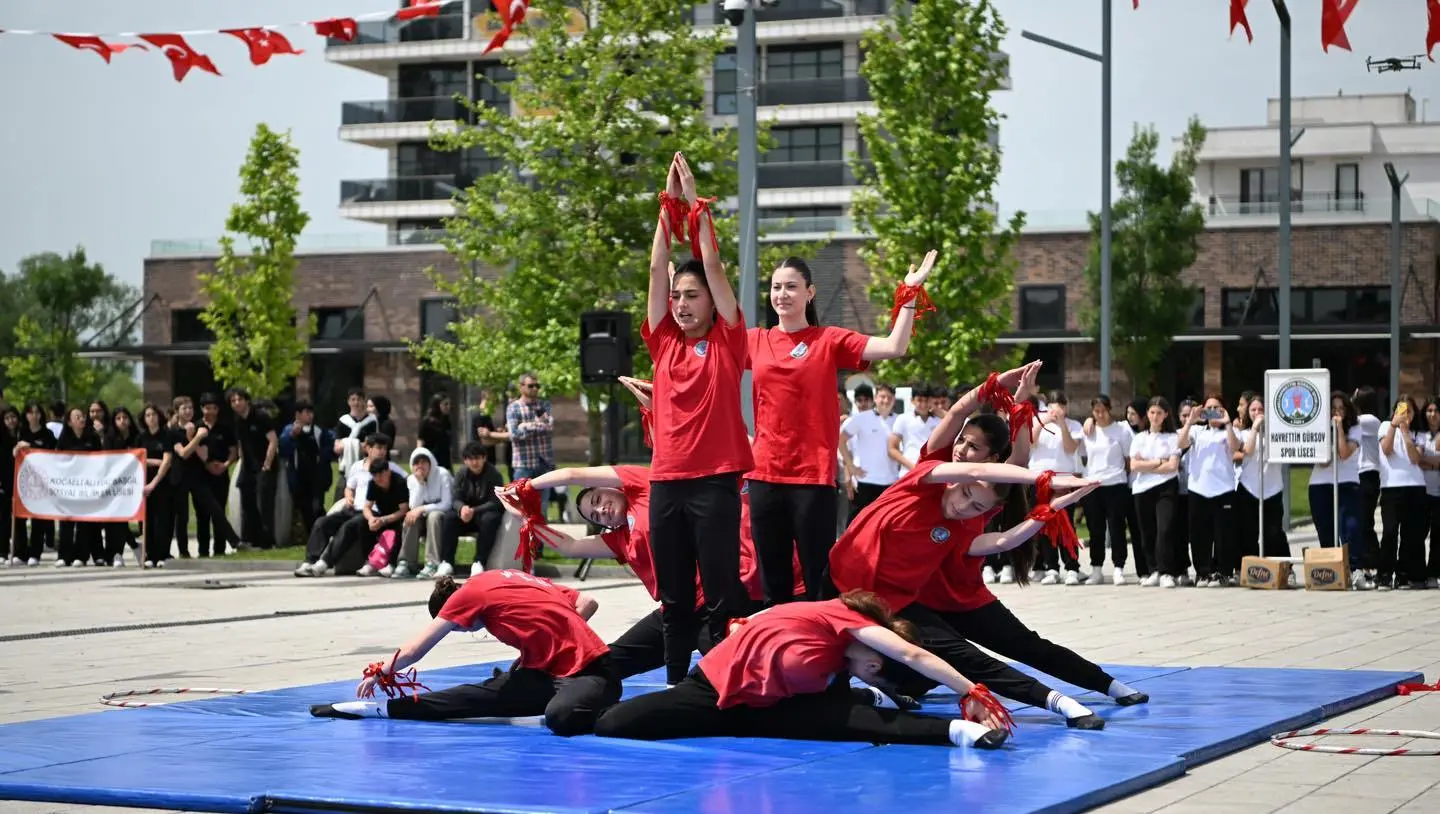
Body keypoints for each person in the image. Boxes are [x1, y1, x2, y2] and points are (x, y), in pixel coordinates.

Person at [893, 366, 1143, 723]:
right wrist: (994, 388)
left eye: (974, 447)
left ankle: (1107, 684)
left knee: (1028, 647)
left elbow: (1020, 462)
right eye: (962, 441)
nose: (962, 450)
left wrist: (1021, 404)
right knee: (927, 661)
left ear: (993, 462)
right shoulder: (932, 468)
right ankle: (886, 689)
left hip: (966, 599)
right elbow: (955, 414)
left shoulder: (990, 490)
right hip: (919, 601)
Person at [593, 590, 1012, 749]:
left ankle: (959, 733)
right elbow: (914, 656)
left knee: (861, 721)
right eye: (874, 670)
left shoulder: (836, 667)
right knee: (614, 723)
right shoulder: (842, 618)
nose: (871, 670)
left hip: (771, 708)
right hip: (714, 692)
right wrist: (970, 692)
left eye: (872, 677)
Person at [747, 252, 935, 604]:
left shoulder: (829, 339)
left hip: (812, 478)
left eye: (791, 286)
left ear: (810, 292)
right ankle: (780, 650)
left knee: (819, 577)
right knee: (773, 581)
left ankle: (821, 648)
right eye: (776, 287)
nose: (782, 294)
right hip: (763, 476)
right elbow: (706, 356)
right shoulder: (755, 340)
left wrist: (909, 293)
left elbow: (896, 346)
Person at [642, 152, 751, 685]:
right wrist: (666, 207)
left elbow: (711, 265)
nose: (681, 304)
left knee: (723, 590)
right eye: (677, 297)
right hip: (667, 483)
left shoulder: (729, 340)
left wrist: (694, 206)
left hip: (715, 483)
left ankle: (727, 677)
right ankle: (673, 682)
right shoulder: (663, 342)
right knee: (674, 594)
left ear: (712, 303)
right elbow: (657, 267)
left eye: (692, 296)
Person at [310, 570, 619, 736]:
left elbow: (416, 649)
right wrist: (545, 649)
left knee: (560, 717)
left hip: (590, 673)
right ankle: (377, 709)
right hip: (544, 674)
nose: (464, 630)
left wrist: (381, 670)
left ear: (453, 610)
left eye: (457, 627)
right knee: (472, 695)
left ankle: (601, 708)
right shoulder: (509, 576)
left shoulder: (469, 593)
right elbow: (586, 603)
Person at [295, 434, 406, 577]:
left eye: (385, 448)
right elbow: (349, 487)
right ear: (368, 448)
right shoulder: (357, 466)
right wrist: (348, 497)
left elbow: (407, 483)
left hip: (374, 513)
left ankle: (324, 564)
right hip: (353, 509)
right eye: (378, 448)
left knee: (349, 526)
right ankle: (309, 561)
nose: (382, 452)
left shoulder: (391, 468)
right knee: (322, 522)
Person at [1178, 395, 1241, 587]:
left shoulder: (1230, 430)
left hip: (1223, 489)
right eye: (1209, 407)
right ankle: (1203, 572)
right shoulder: (1197, 431)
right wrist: (1190, 420)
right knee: (1199, 534)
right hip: (1199, 489)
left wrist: (1227, 423)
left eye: (1217, 407)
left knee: (1223, 534)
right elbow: (1180, 444)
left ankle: (1222, 572)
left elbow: (1235, 448)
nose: (1213, 410)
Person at [1079, 394, 1137, 586]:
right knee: (1095, 529)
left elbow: (1129, 460)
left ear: (1110, 409)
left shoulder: (1121, 430)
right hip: (1093, 485)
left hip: (1115, 484)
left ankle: (1119, 567)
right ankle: (1096, 569)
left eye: (1104, 410)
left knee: (1117, 528)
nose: (1101, 415)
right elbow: (1081, 454)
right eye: (1096, 411)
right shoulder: (1088, 430)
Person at [1028, 392, 1085, 584]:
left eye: (1061, 405)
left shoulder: (1073, 426)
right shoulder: (1038, 422)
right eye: (1053, 405)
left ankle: (1072, 567)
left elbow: (1071, 448)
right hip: (1041, 478)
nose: (1056, 409)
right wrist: (1043, 421)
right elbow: (1031, 442)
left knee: (1066, 523)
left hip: (1063, 478)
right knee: (1044, 523)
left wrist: (1062, 424)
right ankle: (1051, 567)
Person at [1309, 392, 1365, 581]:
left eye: (1341, 408)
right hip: (1320, 484)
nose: (1337, 412)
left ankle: (1355, 569)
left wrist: (1339, 427)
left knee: (1350, 528)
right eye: (1333, 408)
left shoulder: (1355, 428)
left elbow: (1344, 453)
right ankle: (1332, 572)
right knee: (1325, 529)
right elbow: (1322, 462)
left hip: (1346, 483)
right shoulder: (1318, 429)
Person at [429, 441, 506, 578]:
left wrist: (473, 510)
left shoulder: (494, 474)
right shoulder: (461, 474)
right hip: (465, 515)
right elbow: (455, 497)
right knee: (450, 517)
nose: (474, 462)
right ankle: (447, 562)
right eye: (470, 459)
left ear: (484, 458)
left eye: (477, 458)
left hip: (483, 515)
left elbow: (496, 501)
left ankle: (479, 562)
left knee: (491, 518)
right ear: (465, 460)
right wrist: (461, 509)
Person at [1378, 395, 1428, 590]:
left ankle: (1405, 574)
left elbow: (1415, 458)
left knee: (1411, 534)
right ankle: (1384, 574)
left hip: (1415, 486)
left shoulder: (1419, 434)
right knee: (1390, 531)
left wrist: (1406, 432)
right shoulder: (1385, 427)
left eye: (1409, 411)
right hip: (1391, 487)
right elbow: (1386, 449)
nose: (1405, 415)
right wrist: (1394, 425)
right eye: (1402, 410)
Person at [1235, 397, 1289, 560]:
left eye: (1260, 410)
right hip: (1249, 487)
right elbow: (1248, 451)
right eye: (1253, 410)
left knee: (1273, 533)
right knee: (1248, 532)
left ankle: (1284, 567)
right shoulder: (1243, 433)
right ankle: (1250, 569)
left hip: (1272, 488)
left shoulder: (1276, 434)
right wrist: (1255, 428)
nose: (1257, 413)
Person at [840, 383, 901, 527]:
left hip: (891, 483)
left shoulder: (899, 420)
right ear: (875, 398)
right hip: (865, 482)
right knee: (856, 526)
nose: (885, 400)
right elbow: (841, 440)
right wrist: (851, 467)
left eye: (889, 398)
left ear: (894, 400)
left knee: (884, 526)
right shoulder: (861, 418)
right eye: (882, 397)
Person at [229, 388, 278, 550]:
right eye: (233, 401)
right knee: (247, 501)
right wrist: (242, 461)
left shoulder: (261, 417)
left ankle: (268, 541)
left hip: (264, 466)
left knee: (263, 503)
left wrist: (267, 464)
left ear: (247, 401)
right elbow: (241, 443)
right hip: (248, 466)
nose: (237, 403)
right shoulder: (237, 420)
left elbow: (272, 440)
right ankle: (250, 539)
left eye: (239, 399)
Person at [394, 447, 453, 579]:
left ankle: (432, 563)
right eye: (416, 463)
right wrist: (420, 483)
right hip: (422, 516)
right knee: (410, 517)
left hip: (444, 516)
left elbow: (446, 503)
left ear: (430, 462)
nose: (420, 466)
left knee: (434, 516)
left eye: (423, 462)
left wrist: (422, 509)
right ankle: (406, 562)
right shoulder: (411, 480)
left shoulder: (442, 474)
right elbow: (413, 506)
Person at [280, 401, 336, 538]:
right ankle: (313, 535)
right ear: (298, 415)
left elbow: (331, 448)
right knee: (304, 508)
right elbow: (283, 449)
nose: (310, 416)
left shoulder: (319, 431)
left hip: (317, 477)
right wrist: (292, 436)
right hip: (299, 477)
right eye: (306, 413)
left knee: (317, 507)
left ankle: (323, 533)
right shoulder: (289, 430)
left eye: (311, 413)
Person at [55, 407, 103, 567]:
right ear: (69, 422)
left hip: (87, 487)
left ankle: (81, 556)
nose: (82, 419)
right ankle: (64, 556)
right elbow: (57, 461)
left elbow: (101, 460)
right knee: (66, 522)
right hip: (69, 487)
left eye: (82, 416)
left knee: (84, 523)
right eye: (77, 417)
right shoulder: (64, 439)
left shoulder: (93, 438)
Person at [12, 402, 58, 565]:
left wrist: (30, 447)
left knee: (38, 518)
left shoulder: (48, 434)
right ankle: (19, 552)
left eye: (38, 412)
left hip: (41, 482)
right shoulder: (21, 432)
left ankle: (35, 553)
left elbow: (51, 454)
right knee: (19, 518)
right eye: (31, 413)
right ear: (26, 415)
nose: (34, 416)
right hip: (23, 480)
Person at [137, 404, 177, 568]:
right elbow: (137, 459)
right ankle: (149, 554)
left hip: (162, 483)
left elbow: (167, 461)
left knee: (162, 520)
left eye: (153, 414)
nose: (151, 418)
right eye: (147, 415)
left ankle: (162, 554)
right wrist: (154, 461)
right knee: (146, 521)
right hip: (143, 483)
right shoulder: (141, 438)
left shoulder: (166, 436)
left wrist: (153, 483)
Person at [332, 388, 376, 502]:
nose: (356, 403)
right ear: (348, 402)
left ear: (364, 401)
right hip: (345, 468)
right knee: (339, 500)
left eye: (359, 399)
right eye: (353, 399)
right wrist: (357, 444)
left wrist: (346, 443)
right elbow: (337, 447)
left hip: (365, 467)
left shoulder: (371, 421)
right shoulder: (343, 421)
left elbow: (370, 446)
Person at [469, 389, 509, 481]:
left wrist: (497, 432)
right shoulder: (481, 416)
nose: (496, 405)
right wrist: (503, 437)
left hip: (487, 460)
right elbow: (485, 442)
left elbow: (488, 435)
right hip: (482, 461)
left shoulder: (486, 416)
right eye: (494, 401)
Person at [418, 394, 455, 472]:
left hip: (445, 460)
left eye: (449, 404)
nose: (448, 406)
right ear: (437, 405)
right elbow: (420, 440)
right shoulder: (427, 421)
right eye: (445, 404)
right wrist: (420, 458)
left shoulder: (447, 422)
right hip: (431, 458)